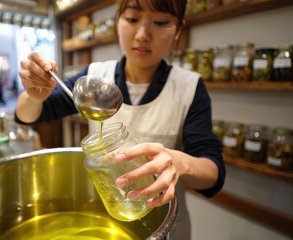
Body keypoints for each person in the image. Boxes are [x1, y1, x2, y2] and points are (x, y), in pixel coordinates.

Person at [15, 0, 226, 239]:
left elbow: (213, 172)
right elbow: (28, 115)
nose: (143, 35)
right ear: (117, 22)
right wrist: (34, 95)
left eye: (160, 22)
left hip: (164, 222)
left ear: (178, 30)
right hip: (110, 215)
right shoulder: (95, 77)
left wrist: (178, 161)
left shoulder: (189, 87)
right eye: (132, 19)